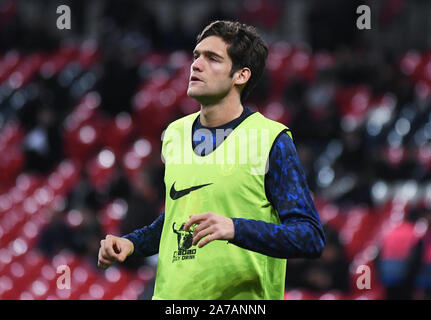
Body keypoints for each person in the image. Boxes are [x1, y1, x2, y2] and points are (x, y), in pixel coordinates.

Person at [97, 20, 325, 300]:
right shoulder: (174, 135)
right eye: (196, 56)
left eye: (212, 58)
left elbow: (309, 236)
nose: (196, 64)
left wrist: (236, 228)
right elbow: (177, 219)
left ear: (240, 75)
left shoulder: (271, 140)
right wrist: (132, 243)